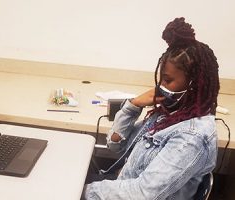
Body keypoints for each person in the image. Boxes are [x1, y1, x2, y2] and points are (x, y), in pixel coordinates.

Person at [82, 17, 220, 199]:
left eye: (168, 80)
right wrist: (132, 106)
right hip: (122, 185)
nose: (160, 86)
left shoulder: (191, 138)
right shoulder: (170, 115)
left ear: (194, 85)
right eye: (161, 78)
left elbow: (143, 194)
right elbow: (116, 145)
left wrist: (80, 191)